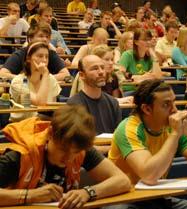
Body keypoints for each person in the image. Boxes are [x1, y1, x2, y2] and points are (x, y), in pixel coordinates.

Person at [108, 79, 187, 209]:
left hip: (156, 197)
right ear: (147, 109)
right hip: (124, 199)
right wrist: (174, 135)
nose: (174, 110)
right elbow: (149, 176)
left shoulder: (172, 128)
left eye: (174, 102)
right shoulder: (128, 128)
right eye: (166, 105)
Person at [0, 105, 131, 208]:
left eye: (75, 152)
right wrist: (29, 195)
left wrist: (88, 193)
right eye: (63, 150)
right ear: (50, 133)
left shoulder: (79, 148)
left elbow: (122, 181)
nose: (68, 158)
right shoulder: (20, 155)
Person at [68, 55, 122, 135]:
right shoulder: (73, 105)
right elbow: (76, 142)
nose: (101, 72)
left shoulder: (113, 103)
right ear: (82, 75)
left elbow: (118, 136)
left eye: (102, 68)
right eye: (95, 68)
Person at [9, 41, 61, 122]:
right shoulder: (18, 82)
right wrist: (45, 74)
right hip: (22, 125)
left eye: (46, 57)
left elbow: (50, 108)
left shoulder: (50, 79)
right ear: (29, 59)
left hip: (46, 123)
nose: (44, 60)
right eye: (40, 56)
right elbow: (40, 103)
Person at [0, 22, 70, 81]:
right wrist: (26, 80)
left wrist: (42, 79)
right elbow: (3, 73)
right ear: (30, 38)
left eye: (47, 37)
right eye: (41, 36)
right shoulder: (20, 54)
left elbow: (66, 74)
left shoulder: (51, 53)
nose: (45, 39)